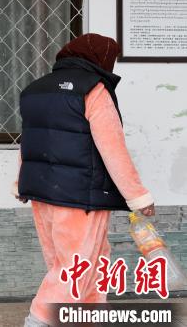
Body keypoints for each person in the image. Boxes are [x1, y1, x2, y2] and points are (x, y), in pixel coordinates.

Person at [13, 33, 154, 327]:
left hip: (41, 192)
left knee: (86, 261)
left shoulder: (36, 89)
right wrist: (137, 197)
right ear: (102, 59)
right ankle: (38, 321)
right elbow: (113, 148)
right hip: (80, 196)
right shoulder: (94, 89)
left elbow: (29, 142)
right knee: (74, 267)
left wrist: (20, 184)